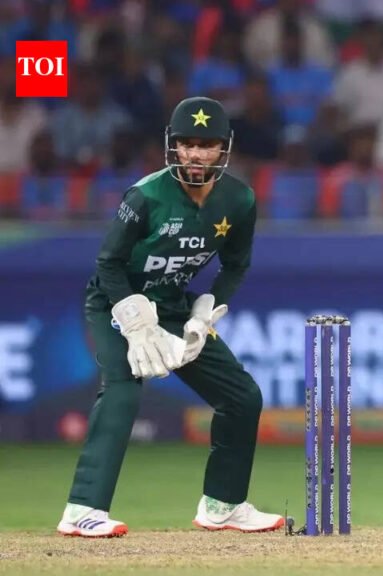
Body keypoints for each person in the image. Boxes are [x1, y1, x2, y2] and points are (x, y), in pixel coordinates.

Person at [57, 97, 283, 537]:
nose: (196, 154)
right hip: (115, 301)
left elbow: (236, 265)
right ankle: (82, 510)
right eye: (187, 144)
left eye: (207, 145)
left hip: (174, 305)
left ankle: (223, 505)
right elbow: (108, 263)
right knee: (123, 388)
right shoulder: (145, 196)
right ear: (173, 146)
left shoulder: (239, 200)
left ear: (223, 149)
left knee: (242, 397)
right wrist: (133, 320)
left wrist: (205, 310)